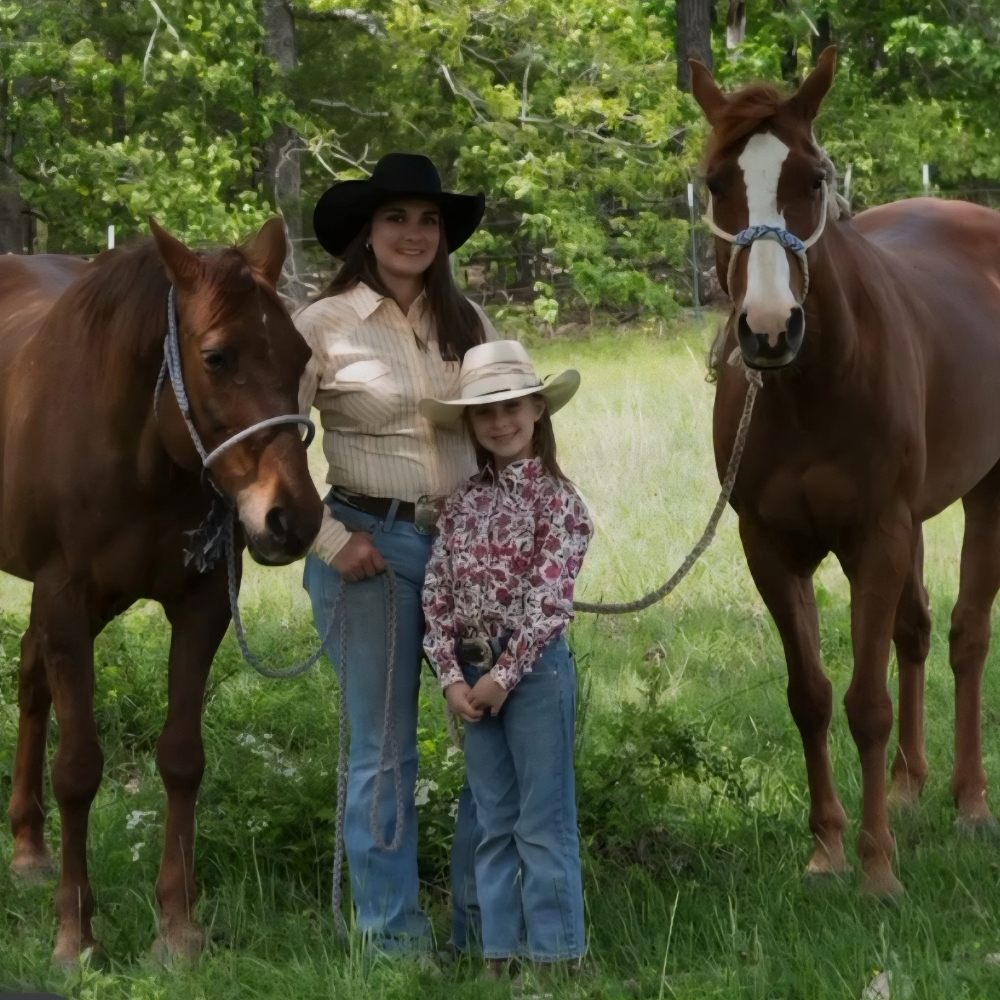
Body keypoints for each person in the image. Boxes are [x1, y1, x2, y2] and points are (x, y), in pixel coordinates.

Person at [294, 152, 496, 955]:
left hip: (467, 553)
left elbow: (511, 431)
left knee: (491, 733)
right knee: (384, 751)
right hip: (369, 550)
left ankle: (485, 928)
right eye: (396, 218)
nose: (413, 233)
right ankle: (391, 941)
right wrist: (330, 539)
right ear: (366, 233)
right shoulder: (322, 325)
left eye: (427, 220)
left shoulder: (468, 320)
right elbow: (266, 449)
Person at [419, 340, 593, 972]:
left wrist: (502, 674)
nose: (500, 421)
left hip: (533, 672)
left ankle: (556, 955)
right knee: (495, 819)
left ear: (537, 410)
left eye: (512, 406)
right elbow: (436, 595)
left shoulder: (559, 504)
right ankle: (501, 952)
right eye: (484, 411)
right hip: (470, 675)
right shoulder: (461, 505)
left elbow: (549, 602)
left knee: (543, 821)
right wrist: (450, 677)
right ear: (470, 423)